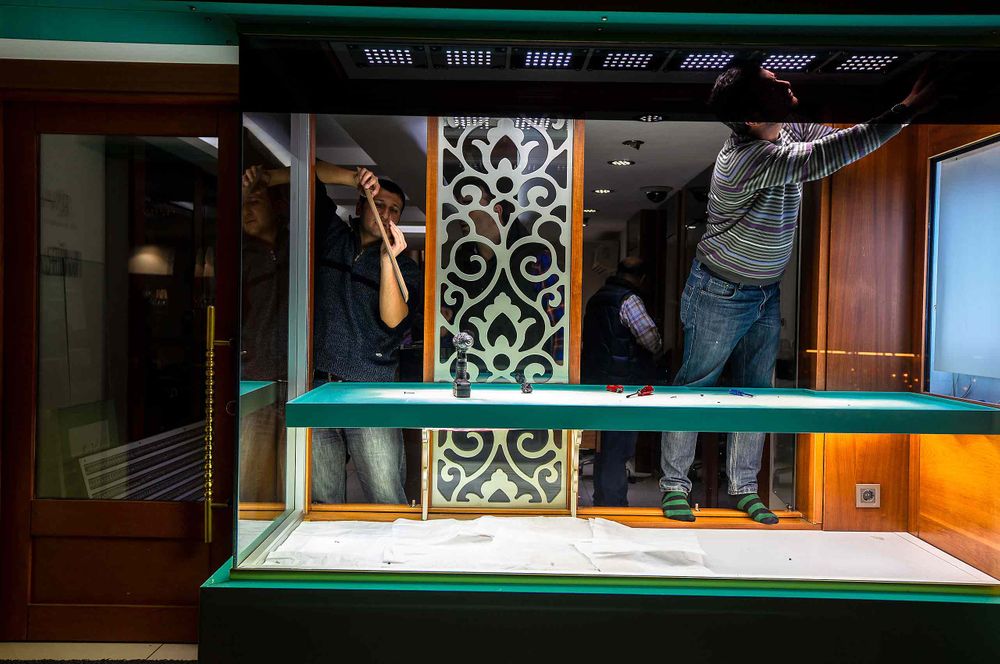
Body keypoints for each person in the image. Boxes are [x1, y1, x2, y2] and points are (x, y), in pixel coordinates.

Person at [659, 63, 939, 524]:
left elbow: (835, 136)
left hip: (764, 289)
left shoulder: (783, 133)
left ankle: (744, 489)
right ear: (751, 116)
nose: (787, 83)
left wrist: (889, 108)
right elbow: (831, 155)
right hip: (719, 289)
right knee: (695, 386)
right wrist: (906, 110)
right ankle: (674, 485)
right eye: (772, 83)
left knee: (757, 393)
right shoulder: (747, 159)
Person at [244, 161, 420, 504]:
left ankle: (393, 555)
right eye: (378, 203)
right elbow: (307, 176)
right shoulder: (330, 235)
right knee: (322, 499)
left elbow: (394, 321)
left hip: (371, 393)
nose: (385, 214)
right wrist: (353, 178)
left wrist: (388, 260)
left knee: (386, 495)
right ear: (360, 205)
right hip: (318, 388)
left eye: (394, 210)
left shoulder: (406, 267)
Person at [582, 257, 663, 507]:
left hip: (597, 383)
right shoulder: (630, 300)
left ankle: (602, 499)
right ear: (642, 279)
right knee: (618, 450)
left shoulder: (597, 298)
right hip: (624, 387)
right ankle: (614, 506)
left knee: (602, 448)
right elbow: (651, 340)